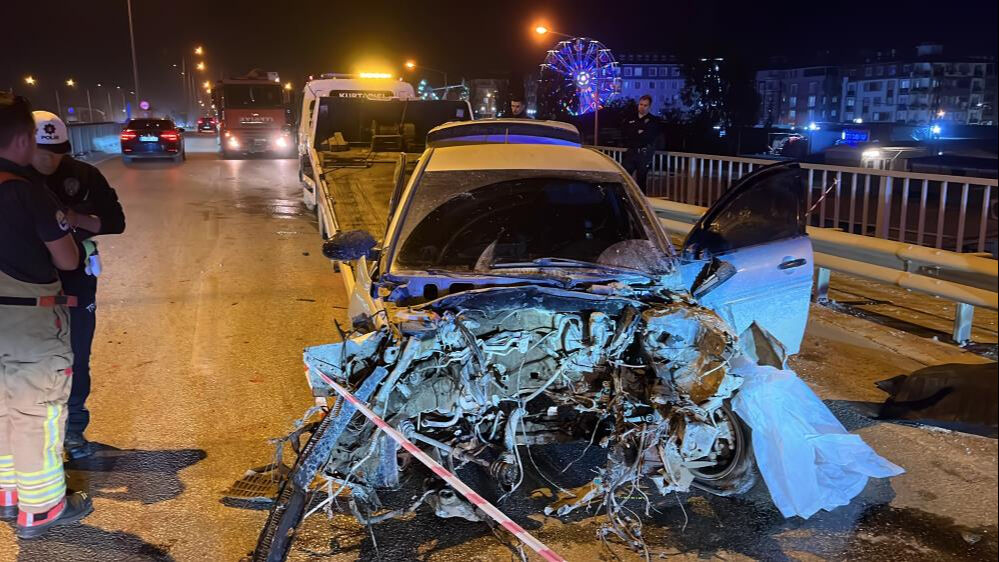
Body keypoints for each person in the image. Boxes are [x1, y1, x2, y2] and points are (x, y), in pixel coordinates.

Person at [0, 93, 93, 538]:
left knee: (1, 405)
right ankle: (41, 508)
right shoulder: (26, 192)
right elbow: (68, 258)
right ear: (22, 139)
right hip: (28, 319)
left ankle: (7, 493)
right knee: (37, 409)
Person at [30, 111, 126, 460]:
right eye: (42, 152)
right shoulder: (13, 179)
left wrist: (76, 219)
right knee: (26, 359)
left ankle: (73, 429)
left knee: (76, 354)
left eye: (57, 153)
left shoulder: (84, 175)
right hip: (26, 284)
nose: (49, 161)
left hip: (75, 279)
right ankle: (30, 432)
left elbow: (116, 222)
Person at [622, 95, 661, 193]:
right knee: (624, 177)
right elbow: (626, 133)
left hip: (644, 154)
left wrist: (636, 132)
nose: (642, 107)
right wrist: (638, 132)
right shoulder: (630, 118)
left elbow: (648, 137)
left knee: (641, 180)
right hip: (631, 152)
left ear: (649, 107)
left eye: (645, 105)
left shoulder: (653, 120)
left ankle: (640, 201)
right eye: (641, 104)